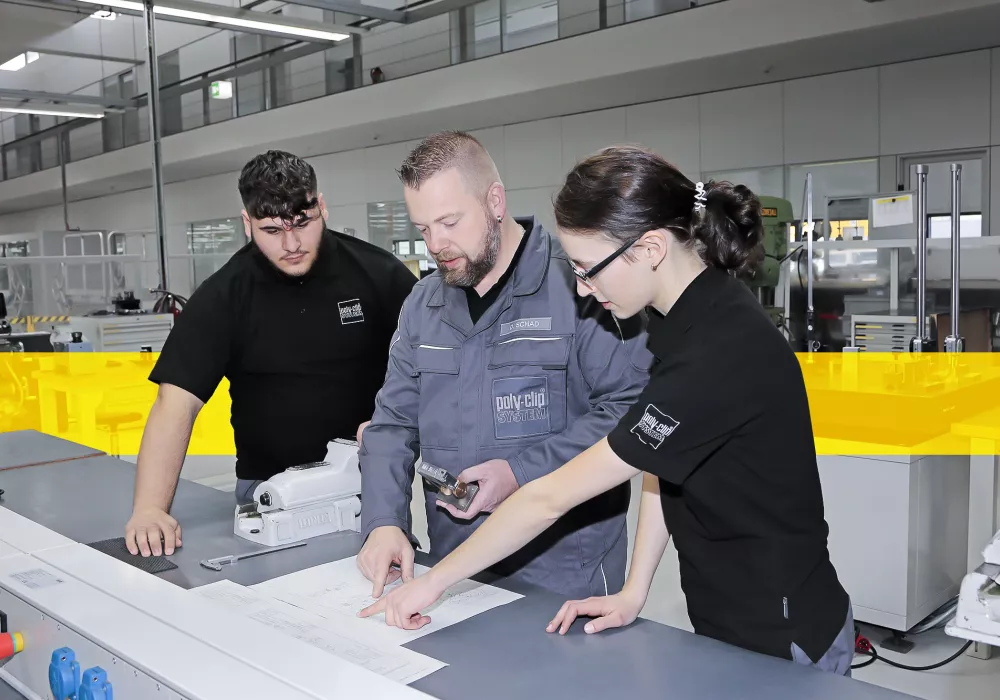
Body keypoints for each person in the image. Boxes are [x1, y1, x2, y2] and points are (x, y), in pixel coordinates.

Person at [360, 145, 855, 677]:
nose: (579, 288)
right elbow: (666, 465)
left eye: (586, 268)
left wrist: (433, 583)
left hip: (783, 630)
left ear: (649, 249)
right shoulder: (681, 320)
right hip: (722, 612)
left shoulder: (717, 350)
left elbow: (550, 497)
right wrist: (634, 590)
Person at [357, 131, 652, 601]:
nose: (436, 243)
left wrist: (520, 470)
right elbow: (391, 425)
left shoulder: (579, 286)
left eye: (449, 221)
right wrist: (384, 522)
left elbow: (631, 409)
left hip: (561, 569)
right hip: (454, 568)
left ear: (495, 201)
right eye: (423, 229)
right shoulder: (422, 306)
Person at [125, 150, 417, 557]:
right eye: (272, 230)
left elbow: (433, 367)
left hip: (366, 485)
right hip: (267, 494)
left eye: (302, 224)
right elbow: (175, 404)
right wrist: (150, 509)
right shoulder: (222, 297)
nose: (292, 243)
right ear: (247, 224)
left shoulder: (379, 274)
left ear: (322, 206)